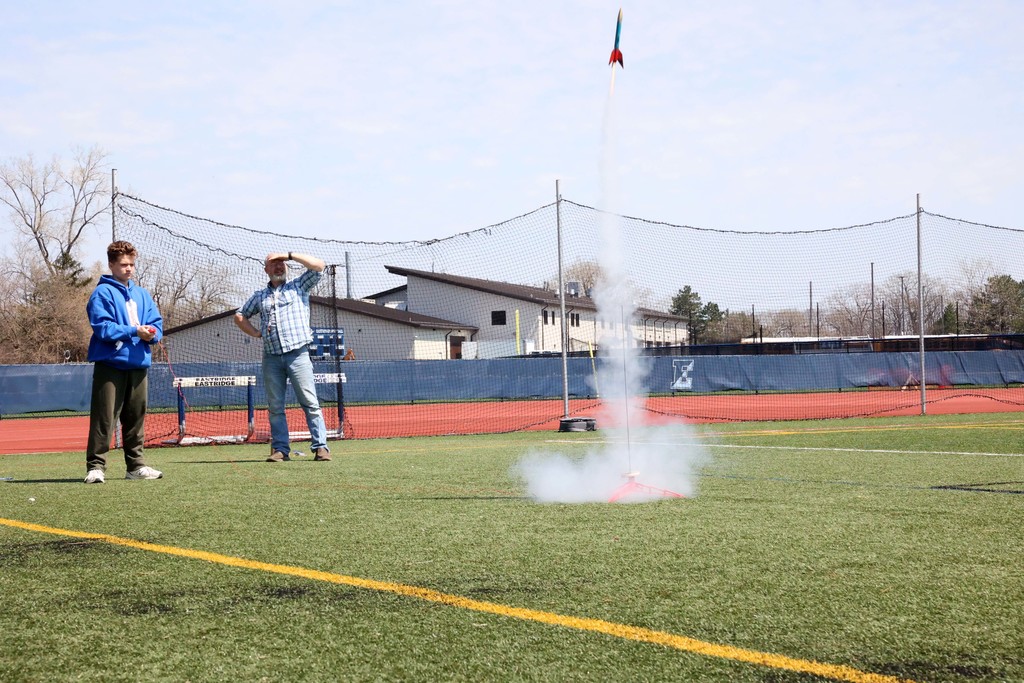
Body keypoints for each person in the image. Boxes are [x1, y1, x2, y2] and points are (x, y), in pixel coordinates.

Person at [234, 251, 332, 462]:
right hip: (271, 358)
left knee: (310, 402)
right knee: (275, 406)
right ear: (266, 270)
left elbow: (319, 266)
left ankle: (321, 447)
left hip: (298, 354)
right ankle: (280, 450)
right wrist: (255, 333)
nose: (279, 267)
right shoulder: (260, 296)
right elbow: (240, 315)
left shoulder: (298, 286)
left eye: (282, 264)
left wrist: (289, 255)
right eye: (274, 264)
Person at [84, 241, 164, 483]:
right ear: (111, 265)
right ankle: (96, 466)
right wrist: (133, 331)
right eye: (123, 265)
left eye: (131, 264)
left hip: (139, 363)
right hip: (111, 364)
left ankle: (135, 466)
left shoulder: (142, 294)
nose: (128, 269)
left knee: (135, 416)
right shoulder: (102, 293)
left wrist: (152, 333)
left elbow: (156, 322)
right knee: (104, 417)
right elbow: (103, 328)